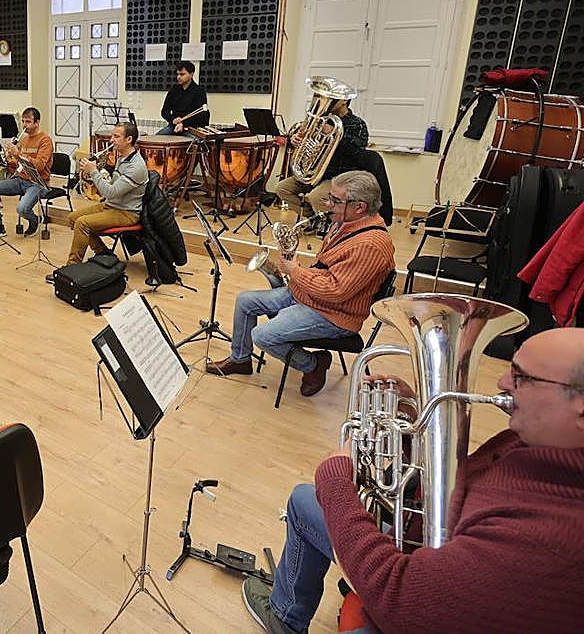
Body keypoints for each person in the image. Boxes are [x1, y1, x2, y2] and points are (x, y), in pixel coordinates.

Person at [242, 326, 584, 634]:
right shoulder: (537, 444)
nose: (502, 383)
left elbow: (400, 600)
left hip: (409, 604)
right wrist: (412, 427)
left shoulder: (553, 539)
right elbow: (455, 493)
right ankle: (285, 615)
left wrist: (337, 484)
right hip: (437, 564)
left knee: (319, 496)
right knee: (304, 501)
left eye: (522, 377)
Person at [206, 171, 395, 396]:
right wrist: (295, 266)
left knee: (262, 335)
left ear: (360, 207)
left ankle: (314, 364)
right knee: (245, 301)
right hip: (312, 298)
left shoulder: (370, 245)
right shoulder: (344, 223)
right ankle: (240, 360)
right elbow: (327, 270)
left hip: (334, 314)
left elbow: (335, 291)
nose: (327, 204)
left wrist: (295, 271)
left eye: (335, 201)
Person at [49, 122, 147, 281]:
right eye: (112, 135)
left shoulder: (136, 167)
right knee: (72, 218)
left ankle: (70, 269)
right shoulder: (122, 157)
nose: (111, 140)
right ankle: (103, 253)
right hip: (113, 205)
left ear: (129, 139)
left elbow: (111, 193)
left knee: (82, 223)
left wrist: (94, 171)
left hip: (126, 212)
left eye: (116, 136)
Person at [274, 92, 372, 222]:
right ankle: (314, 218)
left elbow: (357, 151)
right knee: (282, 189)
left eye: (331, 98)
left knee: (316, 197)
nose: (325, 101)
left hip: (339, 176)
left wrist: (334, 133)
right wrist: (295, 140)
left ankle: (332, 225)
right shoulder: (320, 120)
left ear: (344, 100)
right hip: (314, 173)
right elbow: (304, 140)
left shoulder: (357, 124)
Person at [0, 107, 54, 237]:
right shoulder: (24, 140)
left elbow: (39, 166)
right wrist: (7, 160)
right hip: (20, 180)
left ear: (37, 123)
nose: (24, 125)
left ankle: (35, 220)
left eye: (28, 121)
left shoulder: (45, 140)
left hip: (38, 183)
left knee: (22, 209)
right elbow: (20, 165)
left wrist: (18, 153)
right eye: (23, 121)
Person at [157, 61, 209, 136]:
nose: (178, 77)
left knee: (194, 143)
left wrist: (183, 123)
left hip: (192, 128)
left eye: (182, 74)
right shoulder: (173, 90)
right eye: (177, 74)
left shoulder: (199, 91)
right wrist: (173, 120)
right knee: (157, 139)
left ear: (191, 74)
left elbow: (202, 115)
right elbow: (164, 111)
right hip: (173, 126)